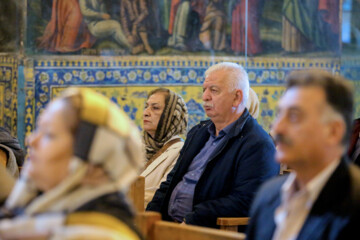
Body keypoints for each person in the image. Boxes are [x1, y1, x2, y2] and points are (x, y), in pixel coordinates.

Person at [146, 62, 279, 228]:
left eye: (214, 90)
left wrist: (193, 219)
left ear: (237, 97)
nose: (205, 97)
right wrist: (150, 216)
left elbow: (246, 201)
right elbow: (171, 181)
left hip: (208, 231)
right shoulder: (198, 133)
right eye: (204, 90)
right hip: (170, 226)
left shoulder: (257, 144)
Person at [0, 88, 144, 239]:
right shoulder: (34, 217)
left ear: (91, 161)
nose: (31, 141)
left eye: (49, 134)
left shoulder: (98, 235)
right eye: (38, 129)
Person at [246, 70, 360, 240]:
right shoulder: (268, 195)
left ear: (333, 131)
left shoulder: (354, 203)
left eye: (293, 116)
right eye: (279, 115)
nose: (278, 129)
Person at [141, 88, 188, 207]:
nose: (146, 112)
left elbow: (163, 195)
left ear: (172, 115)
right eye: (146, 106)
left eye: (155, 108)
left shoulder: (180, 151)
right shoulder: (138, 147)